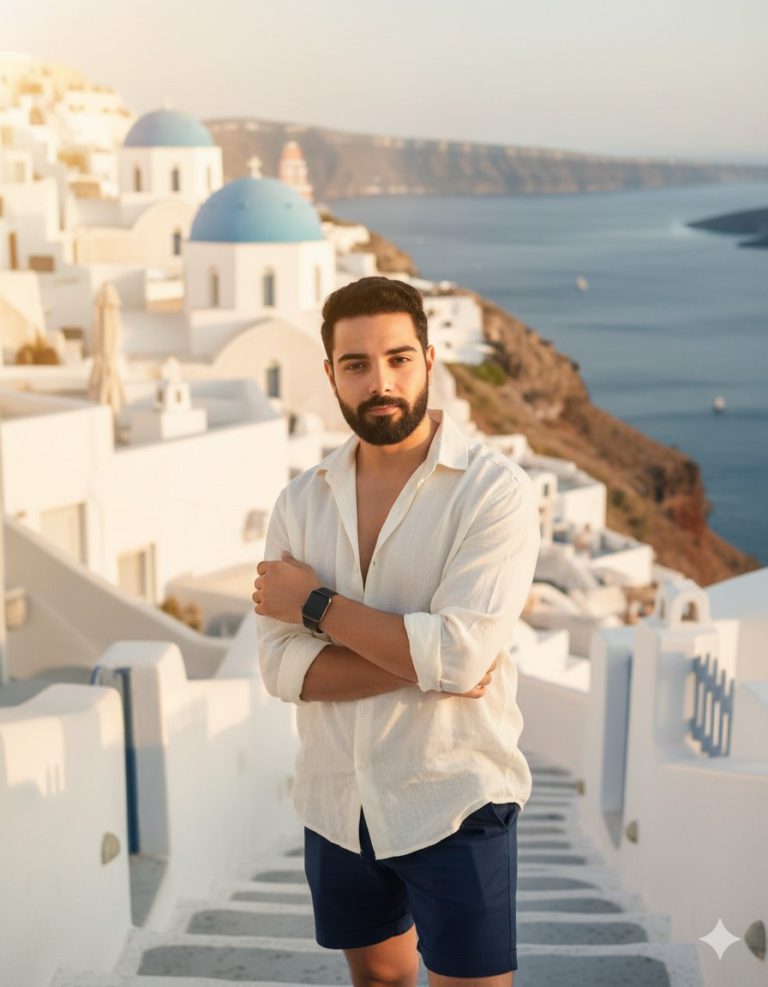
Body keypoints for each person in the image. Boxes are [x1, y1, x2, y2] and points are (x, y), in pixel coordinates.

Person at [254, 276, 540, 987]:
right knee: (379, 979)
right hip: (335, 798)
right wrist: (430, 660)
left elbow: (462, 651)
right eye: (356, 364)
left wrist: (315, 606)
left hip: (453, 796)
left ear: (429, 359)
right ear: (330, 375)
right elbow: (283, 671)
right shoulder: (299, 503)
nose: (379, 381)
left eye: (398, 358)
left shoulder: (492, 492)